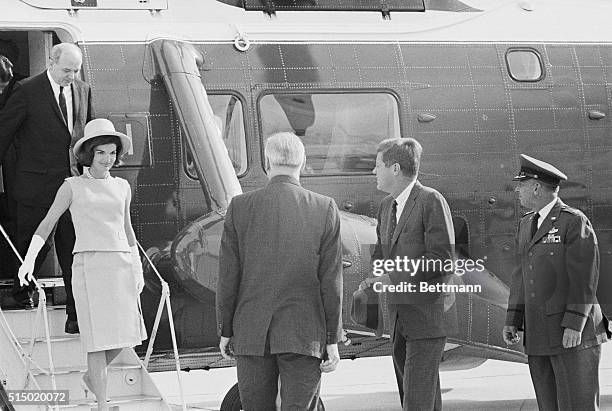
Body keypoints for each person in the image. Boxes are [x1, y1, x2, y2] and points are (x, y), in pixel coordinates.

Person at [17, 118, 146, 410]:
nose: (107, 159)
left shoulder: (123, 187)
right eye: (101, 152)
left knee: (127, 335)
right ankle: (102, 403)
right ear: (89, 154)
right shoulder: (72, 186)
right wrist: (29, 260)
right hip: (89, 265)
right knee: (97, 339)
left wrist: (137, 267)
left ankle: (92, 378)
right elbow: (47, 223)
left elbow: (127, 229)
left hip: (120, 264)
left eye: (112, 152)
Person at [216, 132, 343, 410]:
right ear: (303, 162)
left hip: (251, 332)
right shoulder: (325, 208)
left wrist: (227, 329)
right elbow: (331, 281)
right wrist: (332, 338)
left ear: (267, 162)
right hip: (304, 333)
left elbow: (228, 277)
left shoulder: (239, 207)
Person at [503, 154, 610, 411]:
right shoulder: (526, 223)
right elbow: (521, 275)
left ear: (537, 187)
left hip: (571, 334)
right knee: (548, 405)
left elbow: (584, 278)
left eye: (522, 183)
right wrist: (513, 319)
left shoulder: (573, 221)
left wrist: (574, 323)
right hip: (539, 334)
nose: (518, 190)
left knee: (577, 405)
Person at [0, 43, 92, 334]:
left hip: (73, 187)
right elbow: (4, 132)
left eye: (75, 71)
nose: (71, 76)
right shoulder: (26, 91)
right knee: (33, 246)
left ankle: (75, 315)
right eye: (67, 70)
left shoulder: (83, 90)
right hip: (36, 187)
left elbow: (88, 134)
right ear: (51, 63)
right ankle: (20, 292)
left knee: (73, 252)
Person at [370, 138, 456, 411]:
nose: (374, 172)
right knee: (419, 399)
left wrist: (393, 277)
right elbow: (381, 256)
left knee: (416, 401)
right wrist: (373, 279)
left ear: (395, 168)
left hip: (426, 320)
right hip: (399, 319)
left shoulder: (431, 200)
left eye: (377, 165)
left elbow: (442, 260)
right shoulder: (386, 206)